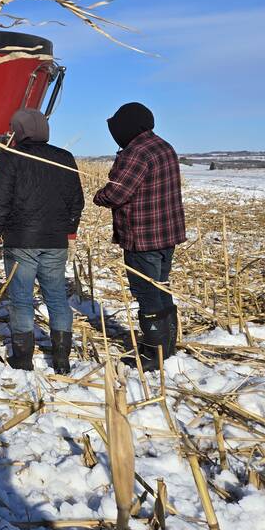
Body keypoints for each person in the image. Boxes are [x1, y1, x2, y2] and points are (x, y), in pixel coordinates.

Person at [0, 108, 84, 373]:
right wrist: (70, 233)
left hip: (21, 241)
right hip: (56, 242)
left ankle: (23, 359)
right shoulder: (65, 158)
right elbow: (77, 202)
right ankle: (62, 360)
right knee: (57, 298)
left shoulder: (12, 157)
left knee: (22, 299)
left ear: (19, 130)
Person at [93, 102, 186, 372]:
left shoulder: (136, 152)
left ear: (127, 128)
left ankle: (153, 352)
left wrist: (100, 196)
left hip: (143, 237)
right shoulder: (163, 146)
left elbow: (117, 194)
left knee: (147, 292)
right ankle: (167, 346)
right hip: (167, 235)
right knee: (161, 287)